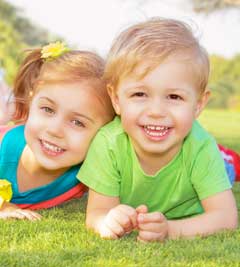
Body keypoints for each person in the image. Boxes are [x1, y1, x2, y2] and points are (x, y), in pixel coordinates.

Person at [77, 18, 238, 242]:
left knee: (227, 170)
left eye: (174, 97)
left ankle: (227, 161)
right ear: (116, 99)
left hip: (207, 163)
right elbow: (96, 213)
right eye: (139, 94)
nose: (156, 111)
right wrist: (108, 221)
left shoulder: (200, 147)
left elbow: (225, 217)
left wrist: (170, 230)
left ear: (198, 105)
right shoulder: (108, 143)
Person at [0, 42, 114, 220]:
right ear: (31, 102)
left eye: (77, 122)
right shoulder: (3, 146)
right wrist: (3, 206)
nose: (55, 130)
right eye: (47, 109)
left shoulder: (88, 177)